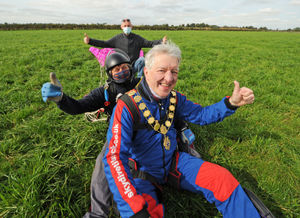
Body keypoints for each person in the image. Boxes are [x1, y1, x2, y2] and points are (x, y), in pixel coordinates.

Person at [102, 42, 262, 218]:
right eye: (162, 71)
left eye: (174, 72)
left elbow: (201, 115)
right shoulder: (127, 106)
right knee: (144, 212)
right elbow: (114, 157)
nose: (169, 78)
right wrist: (131, 207)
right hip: (143, 172)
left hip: (174, 162)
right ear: (146, 72)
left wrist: (231, 103)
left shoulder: (174, 98)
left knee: (221, 179)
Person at [41, 50, 198, 218]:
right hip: (120, 134)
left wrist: (182, 127)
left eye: (124, 67)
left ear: (131, 68)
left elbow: (169, 104)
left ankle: (187, 159)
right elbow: (79, 107)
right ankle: (97, 213)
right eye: (116, 70)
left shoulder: (143, 84)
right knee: (103, 162)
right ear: (110, 74)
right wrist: (62, 99)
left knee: (173, 140)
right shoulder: (105, 92)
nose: (121, 71)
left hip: (150, 131)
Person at [83, 18, 167, 78]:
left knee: (142, 60)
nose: (127, 27)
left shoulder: (137, 38)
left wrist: (161, 42)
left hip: (134, 66)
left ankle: (139, 79)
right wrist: (90, 41)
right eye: (125, 26)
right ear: (121, 27)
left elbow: (149, 43)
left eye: (128, 26)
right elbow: (104, 43)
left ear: (132, 27)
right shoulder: (117, 38)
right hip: (122, 67)